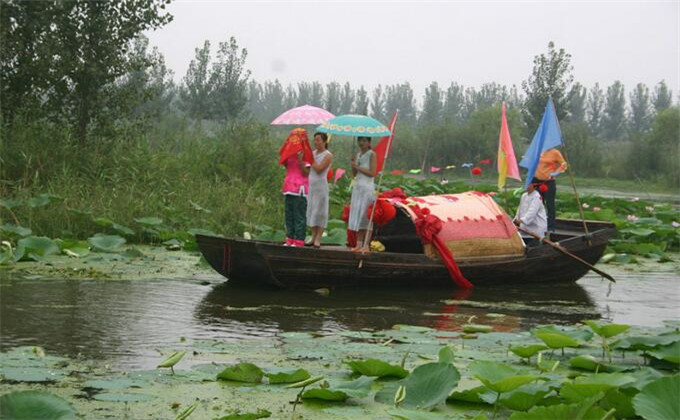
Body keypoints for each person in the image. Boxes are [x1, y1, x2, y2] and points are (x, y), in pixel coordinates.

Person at [278, 128, 312, 247]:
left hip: (300, 189)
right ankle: (290, 238)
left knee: (299, 215)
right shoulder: (290, 154)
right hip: (289, 187)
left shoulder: (306, 154)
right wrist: (286, 151)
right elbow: (285, 165)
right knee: (289, 215)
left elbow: (306, 173)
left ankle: (299, 240)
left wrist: (300, 160)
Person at [303, 132, 333, 248]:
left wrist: (310, 159)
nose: (316, 142)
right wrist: (302, 162)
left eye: (318, 140)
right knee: (312, 210)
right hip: (311, 185)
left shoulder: (328, 155)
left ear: (324, 141)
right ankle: (313, 236)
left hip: (321, 186)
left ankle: (318, 238)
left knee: (320, 211)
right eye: (314, 140)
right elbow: (307, 171)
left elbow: (319, 169)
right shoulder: (313, 154)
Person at [348, 136, 377, 250]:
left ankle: (366, 245)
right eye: (360, 140)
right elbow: (354, 174)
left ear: (369, 142)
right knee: (359, 214)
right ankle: (358, 244)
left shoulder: (372, 154)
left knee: (366, 216)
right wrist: (353, 165)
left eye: (364, 141)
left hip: (367, 188)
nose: (361, 143)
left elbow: (372, 172)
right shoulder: (358, 155)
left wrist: (358, 167)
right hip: (358, 187)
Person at [532, 147, 568, 233]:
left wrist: (556, 172)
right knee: (536, 203)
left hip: (549, 181)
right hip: (536, 181)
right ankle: (536, 225)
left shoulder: (555, 152)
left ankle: (551, 227)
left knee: (550, 204)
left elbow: (564, 164)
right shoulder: (538, 149)